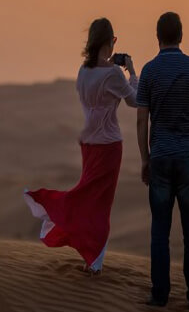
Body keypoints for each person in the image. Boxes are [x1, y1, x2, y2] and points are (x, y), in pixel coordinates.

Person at [24, 18, 138, 274]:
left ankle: (91, 255)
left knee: (88, 196)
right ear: (109, 43)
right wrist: (132, 71)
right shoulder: (113, 73)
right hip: (108, 146)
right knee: (99, 203)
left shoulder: (83, 72)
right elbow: (136, 100)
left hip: (88, 145)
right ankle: (91, 255)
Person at [137, 11, 189, 310]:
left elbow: (142, 120)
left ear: (158, 37)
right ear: (181, 35)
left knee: (160, 230)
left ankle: (160, 295)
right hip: (187, 157)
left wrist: (145, 158)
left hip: (160, 158)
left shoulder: (149, 71)